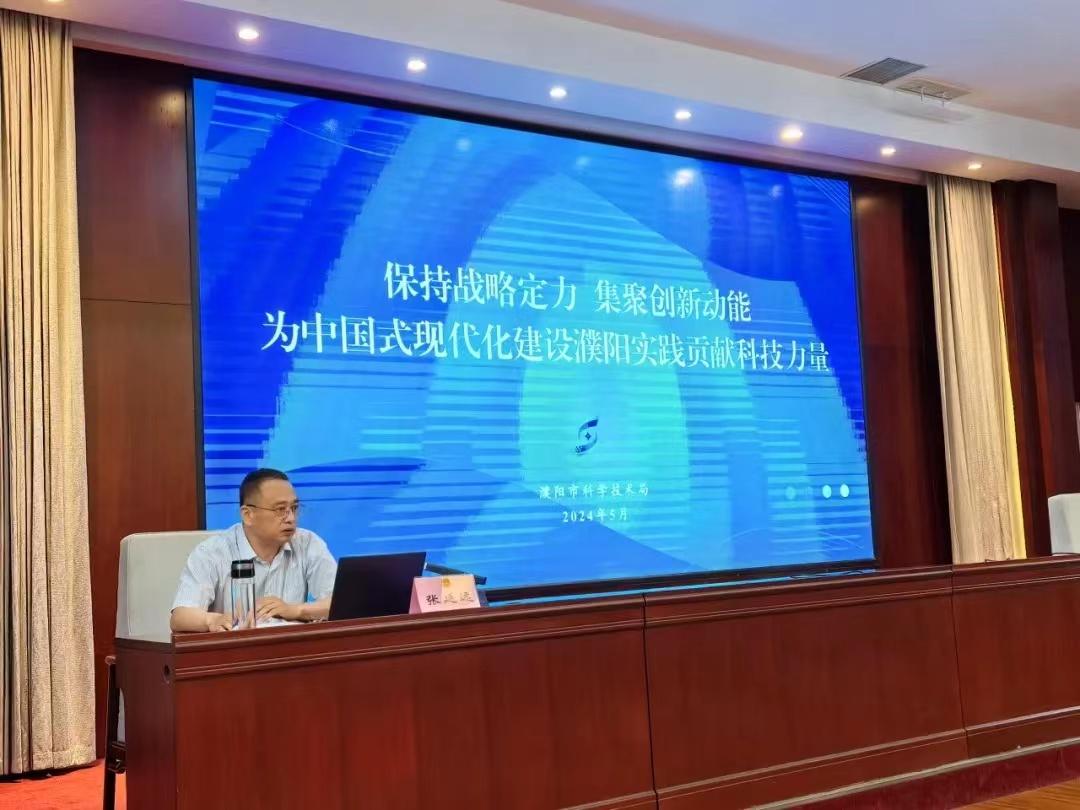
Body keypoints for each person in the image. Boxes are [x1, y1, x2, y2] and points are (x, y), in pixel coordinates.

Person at [170, 468, 338, 633]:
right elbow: (180, 616)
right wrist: (213, 620)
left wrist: (295, 610)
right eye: (280, 509)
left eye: (294, 508)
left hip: (291, 647)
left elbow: (340, 603)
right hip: (234, 648)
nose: (291, 518)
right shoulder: (211, 552)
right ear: (248, 515)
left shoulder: (307, 543)